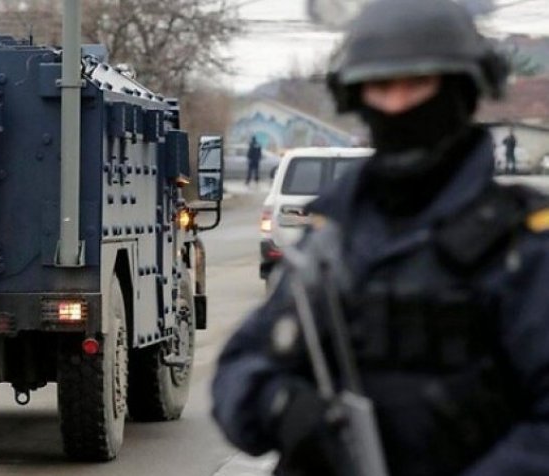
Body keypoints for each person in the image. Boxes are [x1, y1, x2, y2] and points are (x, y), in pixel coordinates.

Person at [212, 1, 549, 475]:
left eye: (417, 85)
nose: (396, 105)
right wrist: (284, 407)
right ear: (356, 97)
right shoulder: (332, 237)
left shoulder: (522, 245)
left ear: (461, 91)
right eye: (380, 87)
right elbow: (239, 369)